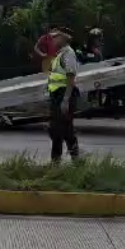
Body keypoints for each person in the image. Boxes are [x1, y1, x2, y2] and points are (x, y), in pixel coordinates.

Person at [46, 26, 80, 163]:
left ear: (63, 38)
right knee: (64, 130)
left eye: (55, 37)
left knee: (58, 130)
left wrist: (65, 100)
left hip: (64, 95)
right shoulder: (60, 54)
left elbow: (71, 77)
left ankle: (56, 163)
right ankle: (75, 160)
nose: (52, 40)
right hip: (57, 95)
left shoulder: (68, 54)